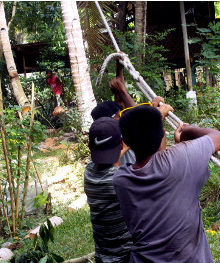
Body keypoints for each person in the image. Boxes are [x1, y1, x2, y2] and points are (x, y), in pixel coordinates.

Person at [113, 102, 220, 262]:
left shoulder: (121, 180)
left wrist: (179, 145)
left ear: (125, 141)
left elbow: (156, 164)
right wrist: (188, 130)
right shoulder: (183, 157)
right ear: (163, 134)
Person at [81, 65, 139, 263]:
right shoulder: (123, 179)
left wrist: (119, 72)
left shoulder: (89, 172)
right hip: (127, 257)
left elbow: (122, 108)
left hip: (104, 256)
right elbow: (139, 126)